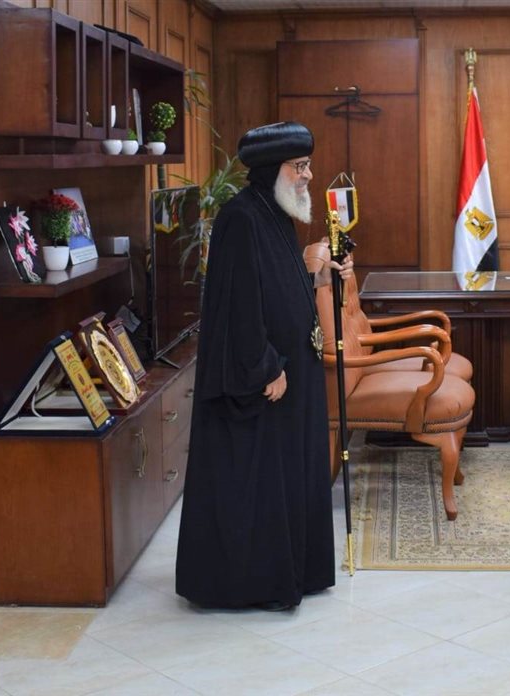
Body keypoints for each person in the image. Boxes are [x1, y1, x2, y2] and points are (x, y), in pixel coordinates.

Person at [176, 121, 352, 611]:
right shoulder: (241, 217)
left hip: (297, 375)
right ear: (274, 168)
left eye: (307, 165)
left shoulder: (275, 214)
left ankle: (300, 571)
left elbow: (278, 285)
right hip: (269, 380)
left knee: (294, 477)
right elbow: (239, 304)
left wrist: (320, 276)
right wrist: (264, 366)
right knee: (260, 483)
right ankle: (257, 583)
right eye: (300, 167)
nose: (309, 175)